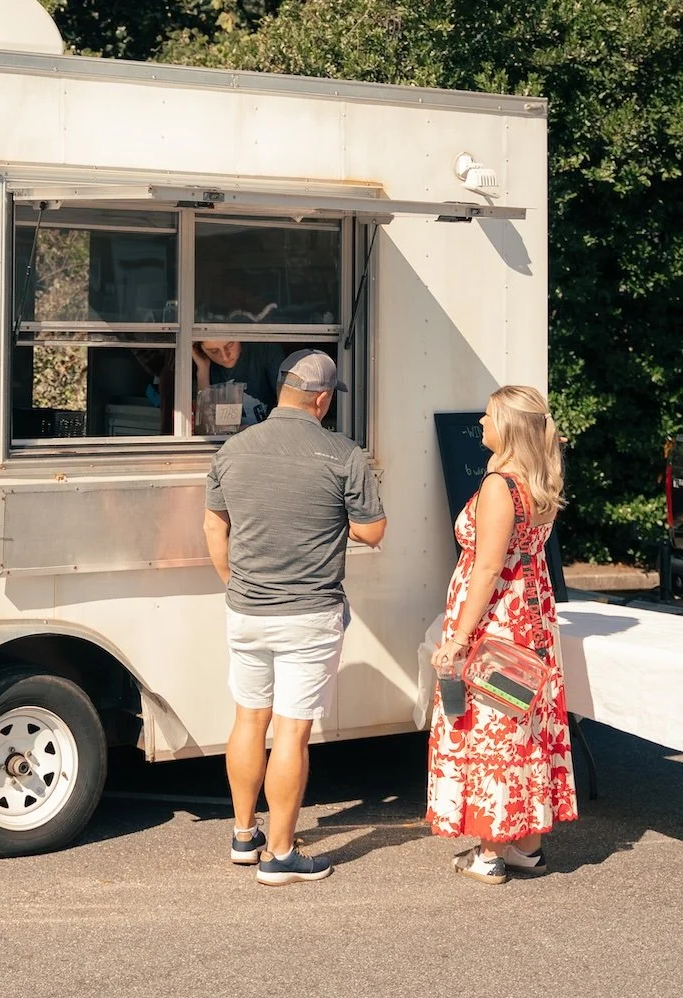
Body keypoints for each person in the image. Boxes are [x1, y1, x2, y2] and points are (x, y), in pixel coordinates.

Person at [203, 349, 386, 884]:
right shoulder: (343, 454)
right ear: (323, 399)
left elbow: (217, 528)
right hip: (309, 614)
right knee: (291, 732)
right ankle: (281, 855)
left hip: (247, 610)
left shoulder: (233, 450)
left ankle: (244, 836)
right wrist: (335, 519)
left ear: (283, 388)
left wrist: (237, 586)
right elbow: (373, 531)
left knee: (248, 719)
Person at [428, 385, 577, 883]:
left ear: (509, 427)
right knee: (524, 726)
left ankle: (490, 852)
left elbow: (487, 568)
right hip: (532, 617)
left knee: (492, 727)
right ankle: (527, 846)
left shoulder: (500, 486)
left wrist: (457, 638)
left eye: (489, 417)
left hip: (497, 622)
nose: (481, 425)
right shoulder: (540, 480)